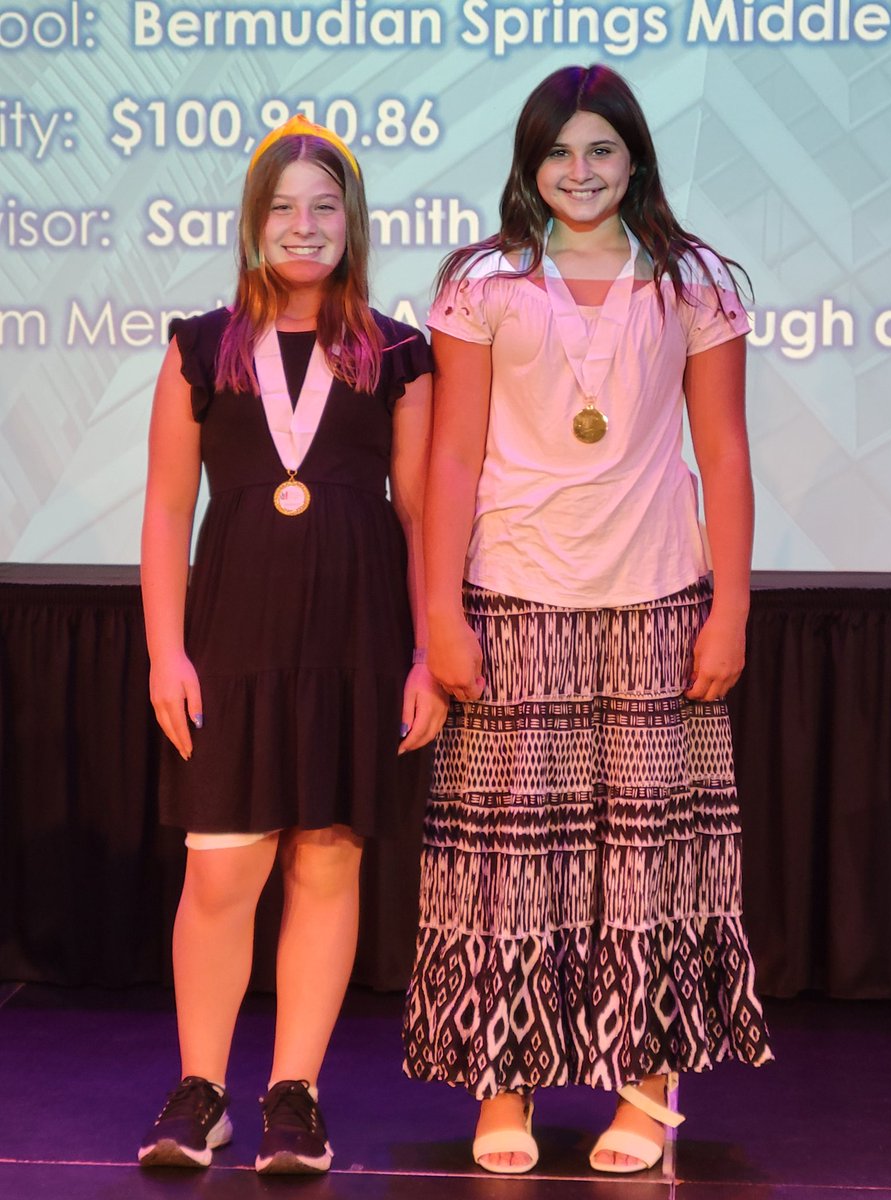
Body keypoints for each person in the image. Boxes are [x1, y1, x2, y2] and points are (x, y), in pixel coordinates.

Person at [402, 65, 773, 1176]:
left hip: (659, 596)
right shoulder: (484, 283)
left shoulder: (695, 281)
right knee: (508, 863)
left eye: (601, 150)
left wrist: (734, 605)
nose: (580, 171)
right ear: (529, 165)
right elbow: (452, 454)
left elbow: (726, 452)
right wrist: (439, 615)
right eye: (559, 152)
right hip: (514, 592)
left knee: (654, 858)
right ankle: (501, 1087)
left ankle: (646, 1092)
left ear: (635, 159)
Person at [138, 115, 446, 1175]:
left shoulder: (401, 354)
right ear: (251, 223)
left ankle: (294, 1096)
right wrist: (163, 654)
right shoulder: (200, 346)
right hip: (233, 642)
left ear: (351, 225)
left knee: (326, 863)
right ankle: (202, 1089)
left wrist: (424, 658)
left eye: (324, 208)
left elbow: (419, 517)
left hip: (359, 644)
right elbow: (164, 513)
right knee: (222, 876)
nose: (304, 227)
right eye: (283, 209)